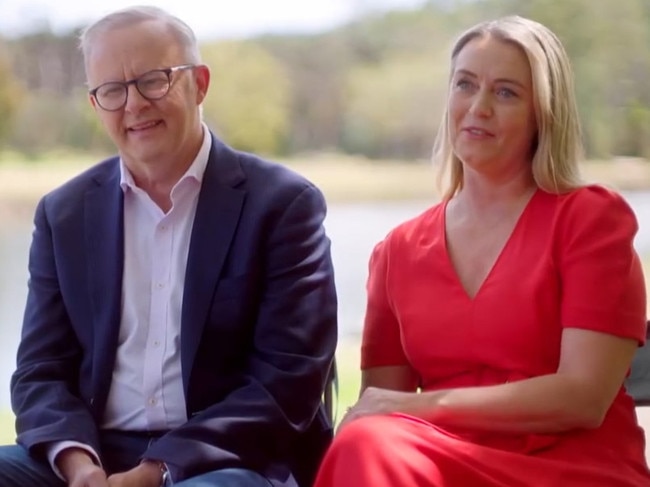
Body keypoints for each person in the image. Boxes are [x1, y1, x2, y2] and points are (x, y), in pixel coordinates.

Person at [0, 5, 337, 487]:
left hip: (228, 458)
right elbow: (40, 372)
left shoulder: (283, 205)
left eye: (153, 80)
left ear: (199, 83)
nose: (134, 104)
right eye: (112, 90)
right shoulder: (63, 214)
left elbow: (287, 383)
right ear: (96, 106)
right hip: (93, 454)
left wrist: (156, 471)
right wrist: (79, 468)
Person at [313, 15, 650, 487]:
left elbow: (584, 397)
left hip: (571, 467)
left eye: (506, 92)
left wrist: (419, 405)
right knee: (365, 444)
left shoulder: (590, 220)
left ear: (544, 114)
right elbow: (378, 407)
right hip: (439, 462)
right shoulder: (398, 252)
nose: (479, 107)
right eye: (465, 85)